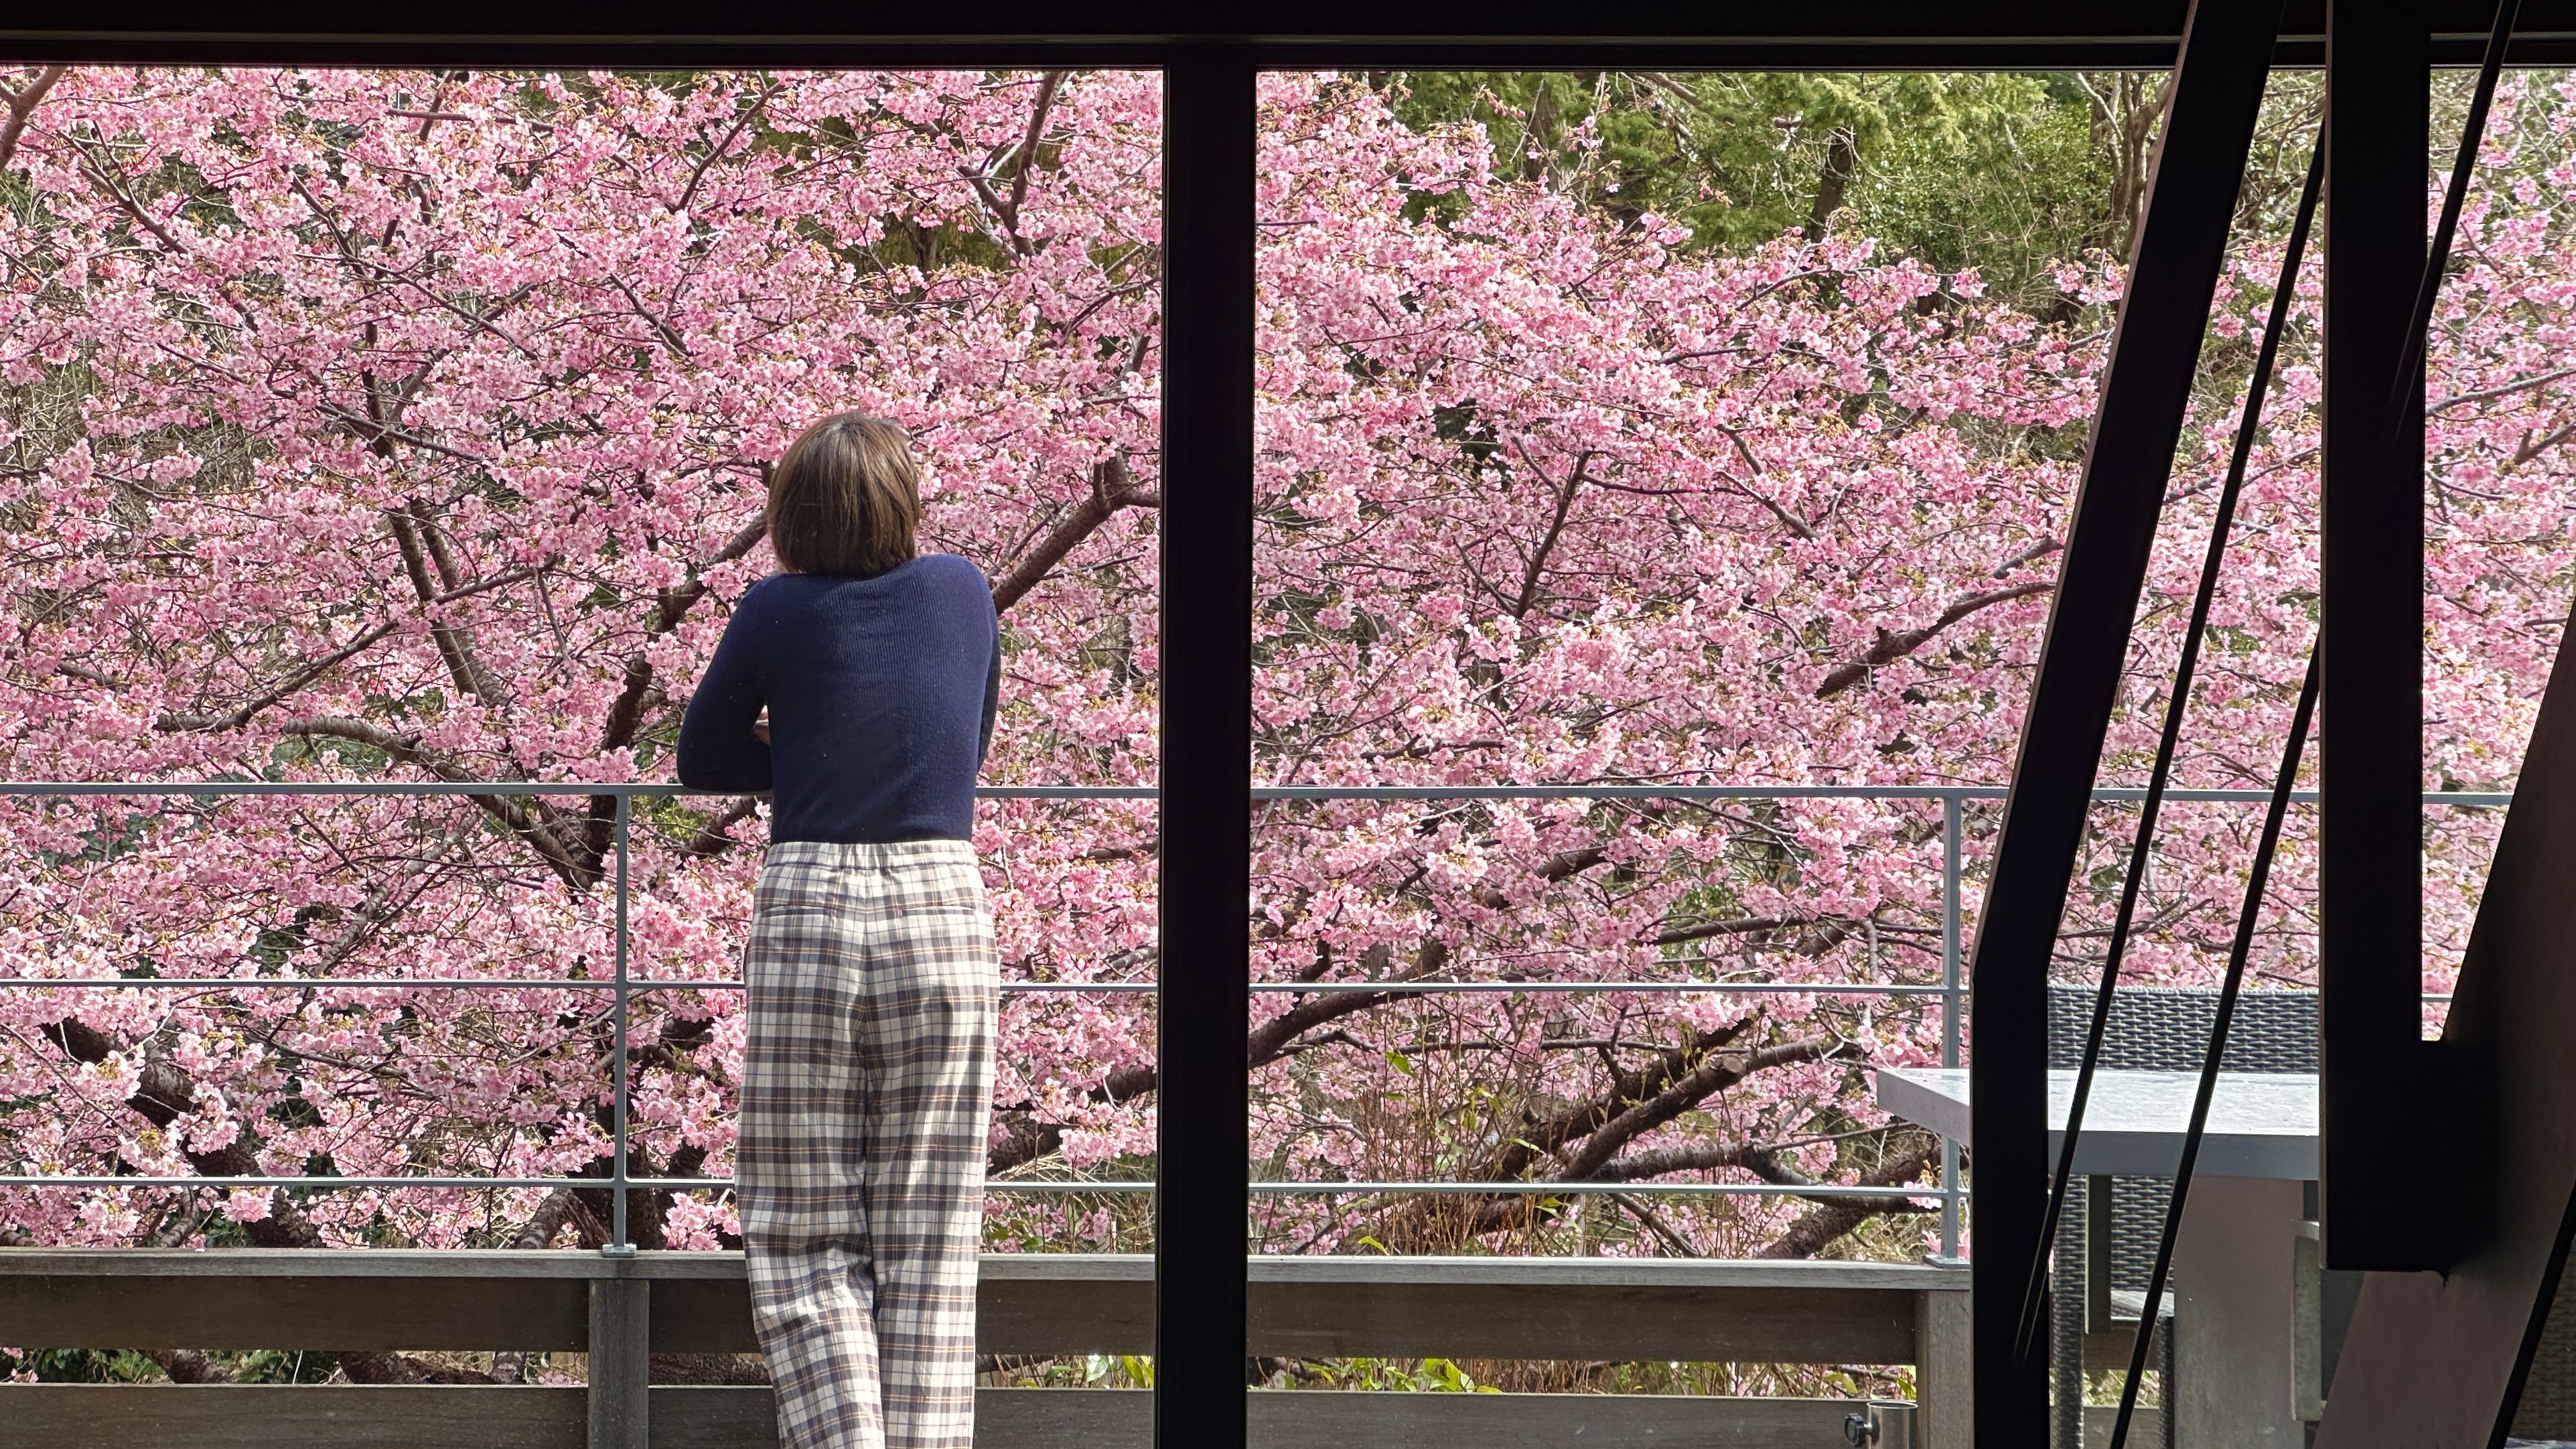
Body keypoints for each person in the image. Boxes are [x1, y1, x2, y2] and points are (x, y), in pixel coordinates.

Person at [676, 412, 1001, 1449]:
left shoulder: (774, 607)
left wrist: (806, 752)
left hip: (813, 899)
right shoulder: (961, 591)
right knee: (932, 1232)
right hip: (941, 903)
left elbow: (703, 757)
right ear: (902, 501)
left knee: (802, 1227)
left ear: (790, 513)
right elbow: (967, 738)